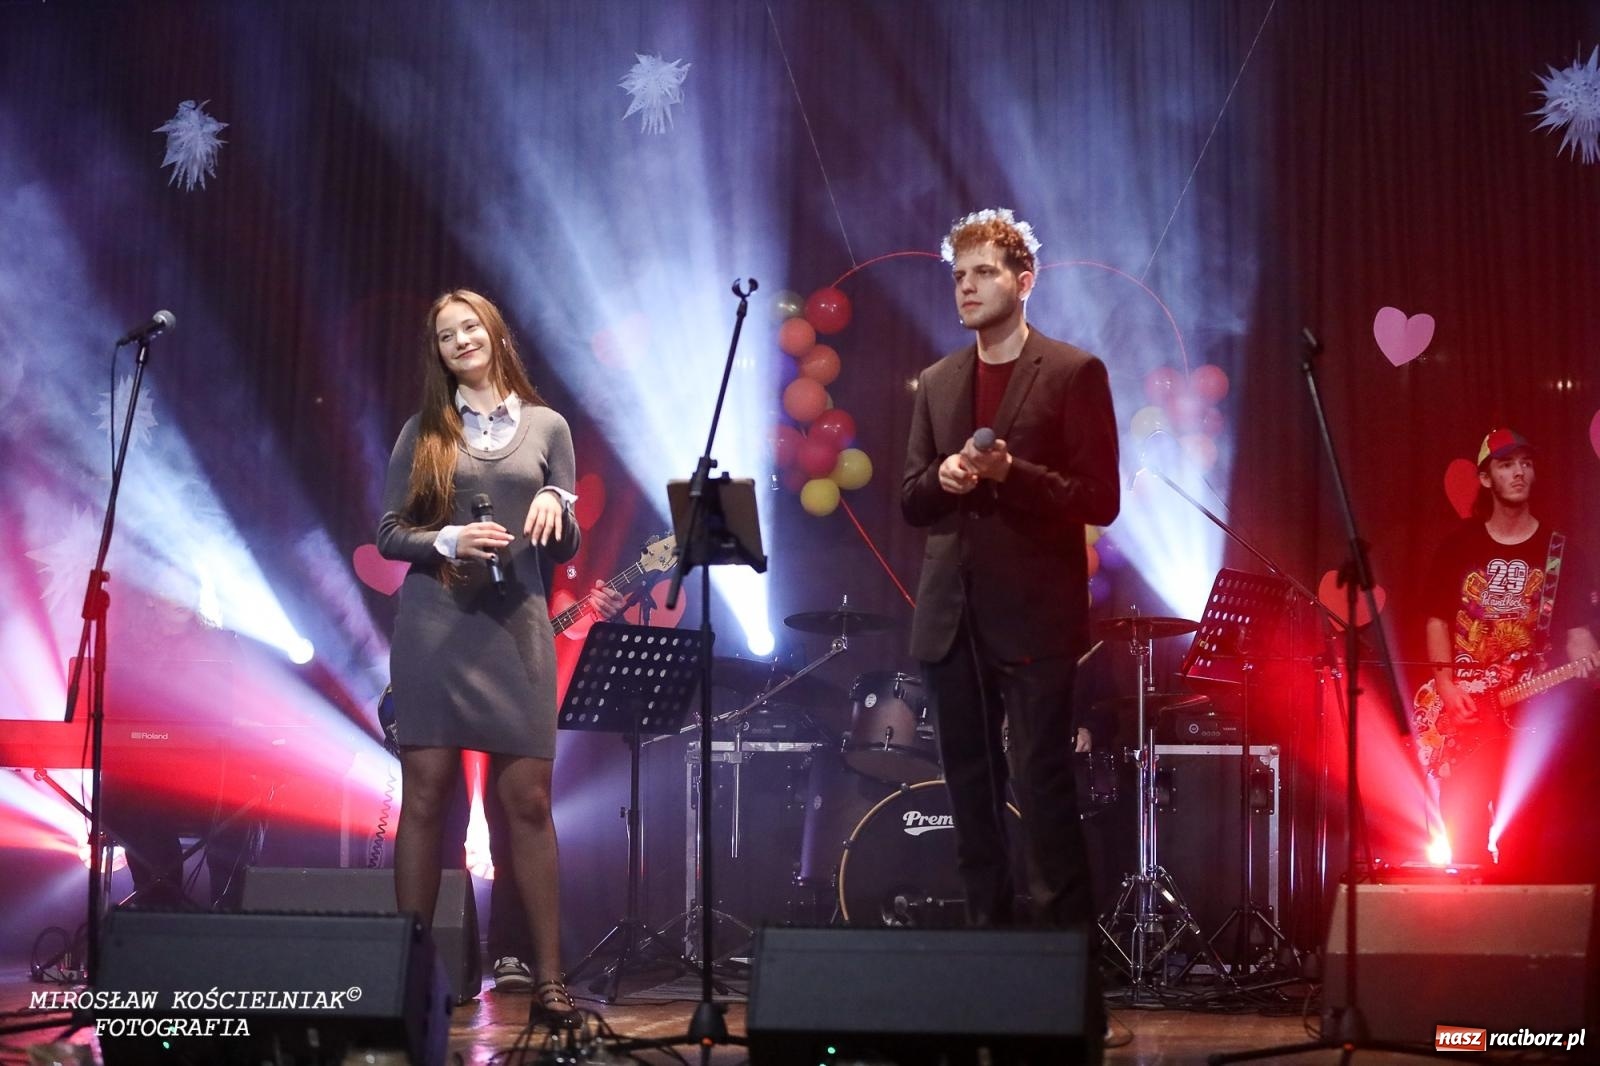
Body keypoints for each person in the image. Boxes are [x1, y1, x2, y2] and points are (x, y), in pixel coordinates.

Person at [900, 207, 1120, 934]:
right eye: (958, 276)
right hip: (951, 618)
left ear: (1024, 281)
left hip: (1033, 619)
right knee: (970, 797)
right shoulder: (936, 381)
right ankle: (986, 976)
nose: (966, 287)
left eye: (984, 273)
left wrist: (1011, 472)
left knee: (1044, 792)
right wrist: (948, 478)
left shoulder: (1072, 372)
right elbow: (910, 498)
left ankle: (1070, 998)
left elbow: (1100, 499)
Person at [377, 288, 584, 1026]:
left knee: (526, 801)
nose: (460, 339)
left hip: (516, 628)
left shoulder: (548, 426)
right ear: (437, 352)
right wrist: (449, 539)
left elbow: (567, 547)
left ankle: (551, 981)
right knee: (427, 795)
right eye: (445, 334)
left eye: (470, 327)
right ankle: (408, 976)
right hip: (435, 627)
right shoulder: (424, 429)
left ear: (494, 334)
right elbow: (388, 532)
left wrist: (560, 506)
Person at [1419, 427, 1597, 870]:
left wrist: (1590, 663)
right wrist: (1445, 685)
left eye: (1525, 463)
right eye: (1506, 464)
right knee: (1464, 842)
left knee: (1526, 845)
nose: (1519, 472)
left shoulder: (1562, 553)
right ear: (1485, 478)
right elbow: (1437, 620)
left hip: (1530, 716)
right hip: (1468, 716)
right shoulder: (1458, 547)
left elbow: (1576, 634)